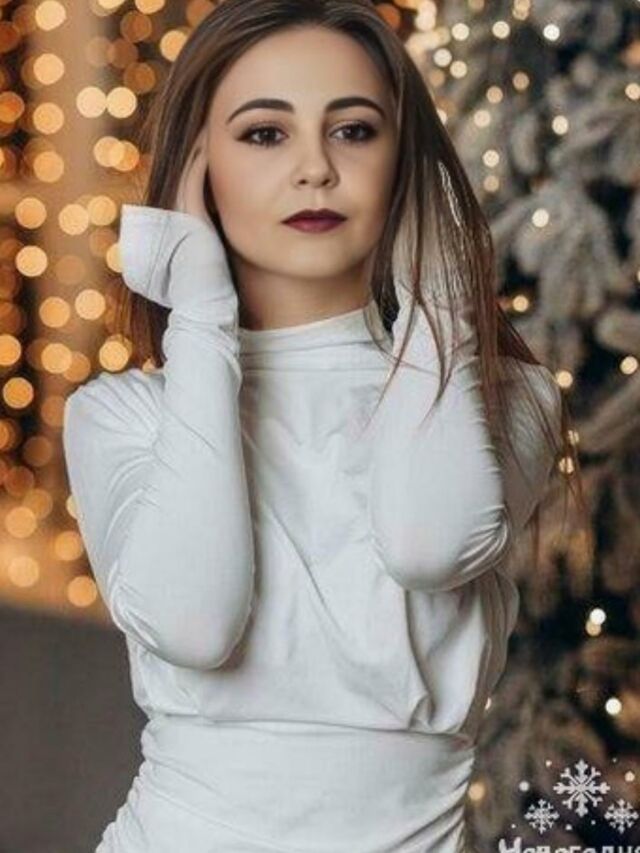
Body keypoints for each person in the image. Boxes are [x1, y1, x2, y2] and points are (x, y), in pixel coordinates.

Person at [62, 1, 588, 851]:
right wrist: (202, 316)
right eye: (265, 134)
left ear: (405, 164)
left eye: (353, 131)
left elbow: (428, 542)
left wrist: (441, 295)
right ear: (199, 167)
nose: (315, 168)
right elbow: (196, 622)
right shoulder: (121, 415)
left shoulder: (508, 400)